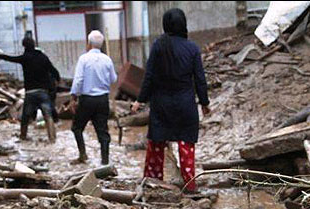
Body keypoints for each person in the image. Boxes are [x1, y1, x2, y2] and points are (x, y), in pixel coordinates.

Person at [131, 8, 210, 192]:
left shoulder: (159, 45)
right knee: (186, 145)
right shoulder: (192, 48)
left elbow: (149, 76)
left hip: (161, 105)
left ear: (165, 24)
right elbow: (200, 79)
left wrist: (140, 100)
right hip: (185, 104)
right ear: (184, 24)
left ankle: (153, 182)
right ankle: (190, 184)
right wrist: (204, 103)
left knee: (157, 144)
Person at [0, 37, 59, 142]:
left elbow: (9, 58)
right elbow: (53, 70)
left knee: (25, 117)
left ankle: (23, 137)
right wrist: (57, 80)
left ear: (24, 46)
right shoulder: (43, 57)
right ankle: (52, 139)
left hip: (30, 93)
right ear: (34, 44)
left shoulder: (25, 58)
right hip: (43, 92)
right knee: (48, 116)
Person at [70, 30, 118, 164]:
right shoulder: (107, 59)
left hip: (87, 100)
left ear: (89, 43)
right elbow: (113, 79)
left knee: (77, 128)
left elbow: (78, 80)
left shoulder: (83, 59)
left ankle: (83, 155)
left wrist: (73, 97)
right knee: (103, 132)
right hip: (102, 100)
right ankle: (105, 161)